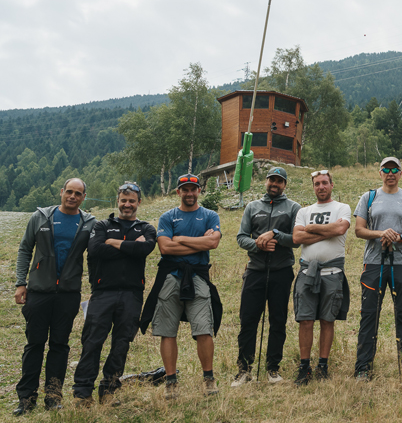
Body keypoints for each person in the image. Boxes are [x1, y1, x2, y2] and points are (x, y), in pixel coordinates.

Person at [13, 178, 96, 416]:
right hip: (39, 291)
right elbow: (25, 248)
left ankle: (53, 397)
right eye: (69, 191)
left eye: (78, 193)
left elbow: (96, 255)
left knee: (60, 346)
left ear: (83, 197)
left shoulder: (88, 223)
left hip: (68, 294)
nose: (72, 196)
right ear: (61, 192)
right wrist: (21, 283)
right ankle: (26, 399)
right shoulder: (40, 217)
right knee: (34, 345)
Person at [73, 182, 157, 407]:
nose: (127, 205)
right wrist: (129, 246)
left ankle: (108, 390)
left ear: (139, 202)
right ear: (117, 201)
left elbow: (145, 249)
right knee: (92, 341)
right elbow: (96, 250)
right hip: (102, 293)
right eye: (123, 200)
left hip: (132, 294)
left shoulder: (147, 228)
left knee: (122, 343)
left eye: (131, 201)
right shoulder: (102, 225)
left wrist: (115, 243)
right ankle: (82, 392)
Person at [139, 173, 223, 399]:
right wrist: (198, 244)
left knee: (204, 328)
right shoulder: (167, 217)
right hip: (170, 278)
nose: (189, 193)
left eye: (193, 189)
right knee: (168, 331)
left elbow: (213, 242)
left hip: (198, 277)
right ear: (178, 192)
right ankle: (171, 381)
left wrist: (179, 239)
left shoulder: (209, 215)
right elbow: (165, 249)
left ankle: (208, 379)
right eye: (184, 189)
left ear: (199, 191)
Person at [353, 157, 402, 379]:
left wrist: (398, 237)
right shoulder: (369, 197)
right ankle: (363, 368)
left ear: (401, 173)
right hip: (374, 263)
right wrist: (381, 233)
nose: (390, 173)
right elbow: (359, 229)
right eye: (386, 169)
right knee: (369, 315)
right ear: (380, 172)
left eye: (395, 169)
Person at [233, 167, 301, 386]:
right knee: (248, 320)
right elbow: (241, 237)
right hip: (255, 271)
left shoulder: (293, 208)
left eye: (280, 181)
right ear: (266, 181)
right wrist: (257, 244)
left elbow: (297, 240)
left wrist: (277, 237)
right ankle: (244, 370)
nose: (275, 183)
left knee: (278, 320)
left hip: (282, 271)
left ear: (285, 185)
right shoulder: (253, 207)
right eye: (272, 179)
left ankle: (273, 368)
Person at [292, 170, 352, 384]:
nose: (321, 187)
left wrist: (312, 228)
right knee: (306, 320)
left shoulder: (342, 208)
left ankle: (323, 365)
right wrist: (327, 230)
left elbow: (340, 228)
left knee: (328, 320)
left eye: (325, 183)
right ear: (313, 186)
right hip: (307, 273)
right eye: (317, 184)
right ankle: (304, 366)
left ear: (332, 185)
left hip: (332, 273)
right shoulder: (303, 210)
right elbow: (297, 237)